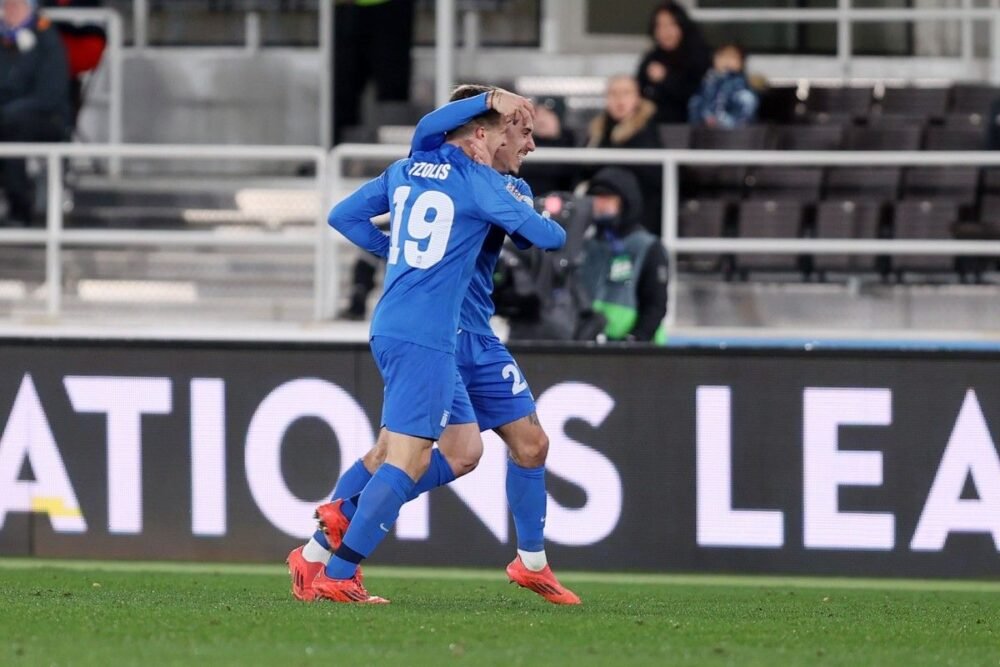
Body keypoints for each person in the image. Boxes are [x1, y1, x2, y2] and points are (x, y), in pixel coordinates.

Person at [288, 86, 580, 606]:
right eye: (523, 128)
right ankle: (338, 565)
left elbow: (349, 210)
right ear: (485, 133)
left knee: (466, 451)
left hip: (435, 329)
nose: (531, 143)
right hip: (433, 332)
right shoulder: (482, 184)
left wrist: (397, 255)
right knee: (403, 459)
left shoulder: (415, 167)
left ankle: (325, 548)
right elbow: (547, 238)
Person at [0, 0, 70, 225]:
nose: (9, 10)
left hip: (45, 118)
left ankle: (20, 209)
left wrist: (10, 111)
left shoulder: (45, 34)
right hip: (7, 117)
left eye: (14, 5)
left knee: (12, 128)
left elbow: (51, 94)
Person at [580, 167, 668, 344]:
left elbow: (656, 304)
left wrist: (636, 339)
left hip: (637, 349)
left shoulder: (648, 246)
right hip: (590, 345)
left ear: (627, 201)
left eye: (607, 198)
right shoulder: (585, 245)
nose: (600, 204)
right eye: (595, 198)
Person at [586, 74, 664, 236]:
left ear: (637, 98)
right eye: (613, 93)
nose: (619, 99)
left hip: (640, 214)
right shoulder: (597, 132)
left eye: (626, 93)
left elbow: (650, 174)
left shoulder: (647, 130)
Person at [333, 0, 414, 146]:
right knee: (342, 91)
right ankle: (343, 156)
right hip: (345, 8)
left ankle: (394, 154)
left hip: (389, 8)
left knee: (392, 89)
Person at [636, 1, 712, 125]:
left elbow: (697, 95)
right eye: (659, 26)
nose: (665, 31)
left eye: (670, 25)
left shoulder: (698, 56)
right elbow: (638, 89)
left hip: (687, 128)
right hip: (652, 127)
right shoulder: (652, 58)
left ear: (682, 26)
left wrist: (666, 79)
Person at [688, 43, 759, 129]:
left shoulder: (743, 88)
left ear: (741, 62)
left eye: (732, 57)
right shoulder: (707, 82)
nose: (726, 60)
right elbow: (697, 109)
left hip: (734, 136)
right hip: (706, 135)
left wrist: (720, 121)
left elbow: (744, 117)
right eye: (721, 56)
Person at [517, 95, 577, 197]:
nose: (540, 119)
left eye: (547, 114)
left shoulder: (572, 144)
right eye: (538, 114)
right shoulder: (523, 143)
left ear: (559, 117)